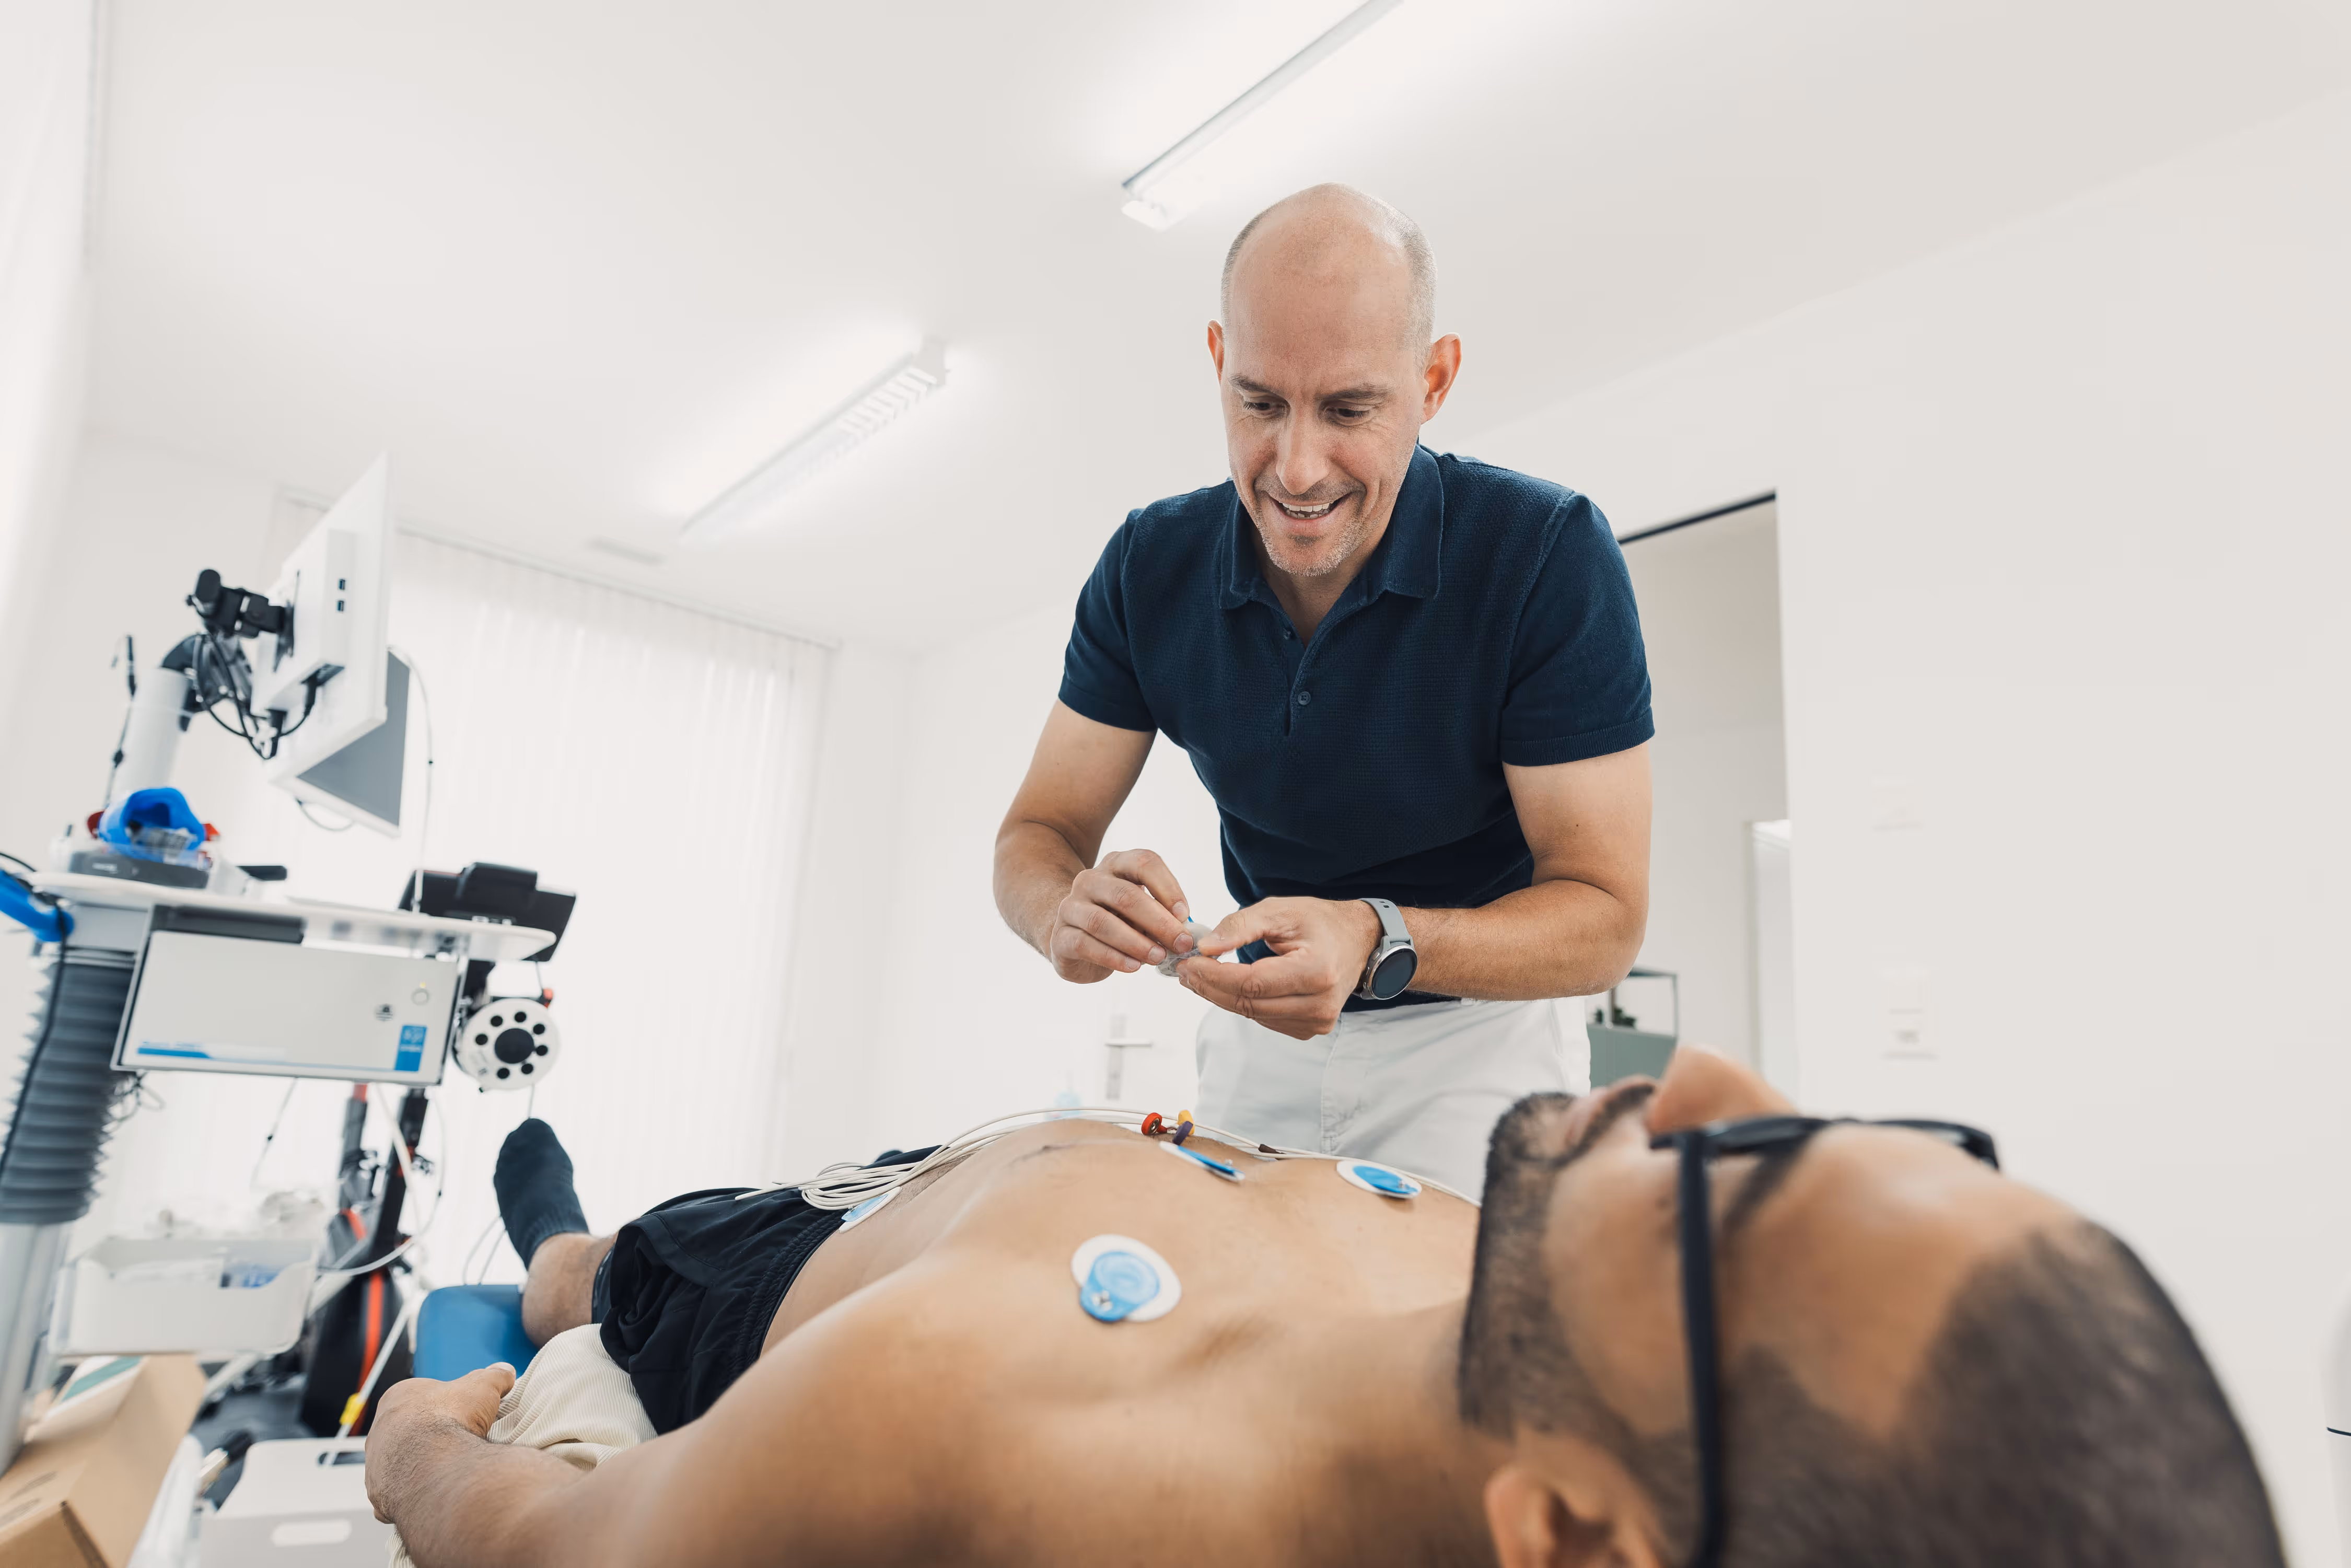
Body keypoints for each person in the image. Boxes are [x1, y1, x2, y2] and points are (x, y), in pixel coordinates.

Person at [368, 1051, 2284, 1566]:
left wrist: (423, 1433)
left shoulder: (961, 1416)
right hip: (1084, 1155)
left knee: (592, 1266)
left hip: (801, 1261)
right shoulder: (1550, 1353)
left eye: (1736, 1204)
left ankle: (554, 1235)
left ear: (1579, 1540)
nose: (1707, 1082)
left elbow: (537, 1538)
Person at [994, 182, 1654, 1195]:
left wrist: (1376, 936)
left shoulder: (1545, 553)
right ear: (1219, 362)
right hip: (1261, 1039)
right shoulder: (1146, 565)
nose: (1297, 470)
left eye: (1350, 409)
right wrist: (1061, 914)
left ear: (1433, 381)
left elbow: (1604, 918)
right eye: (1260, 403)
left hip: (1480, 1051)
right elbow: (1037, 832)